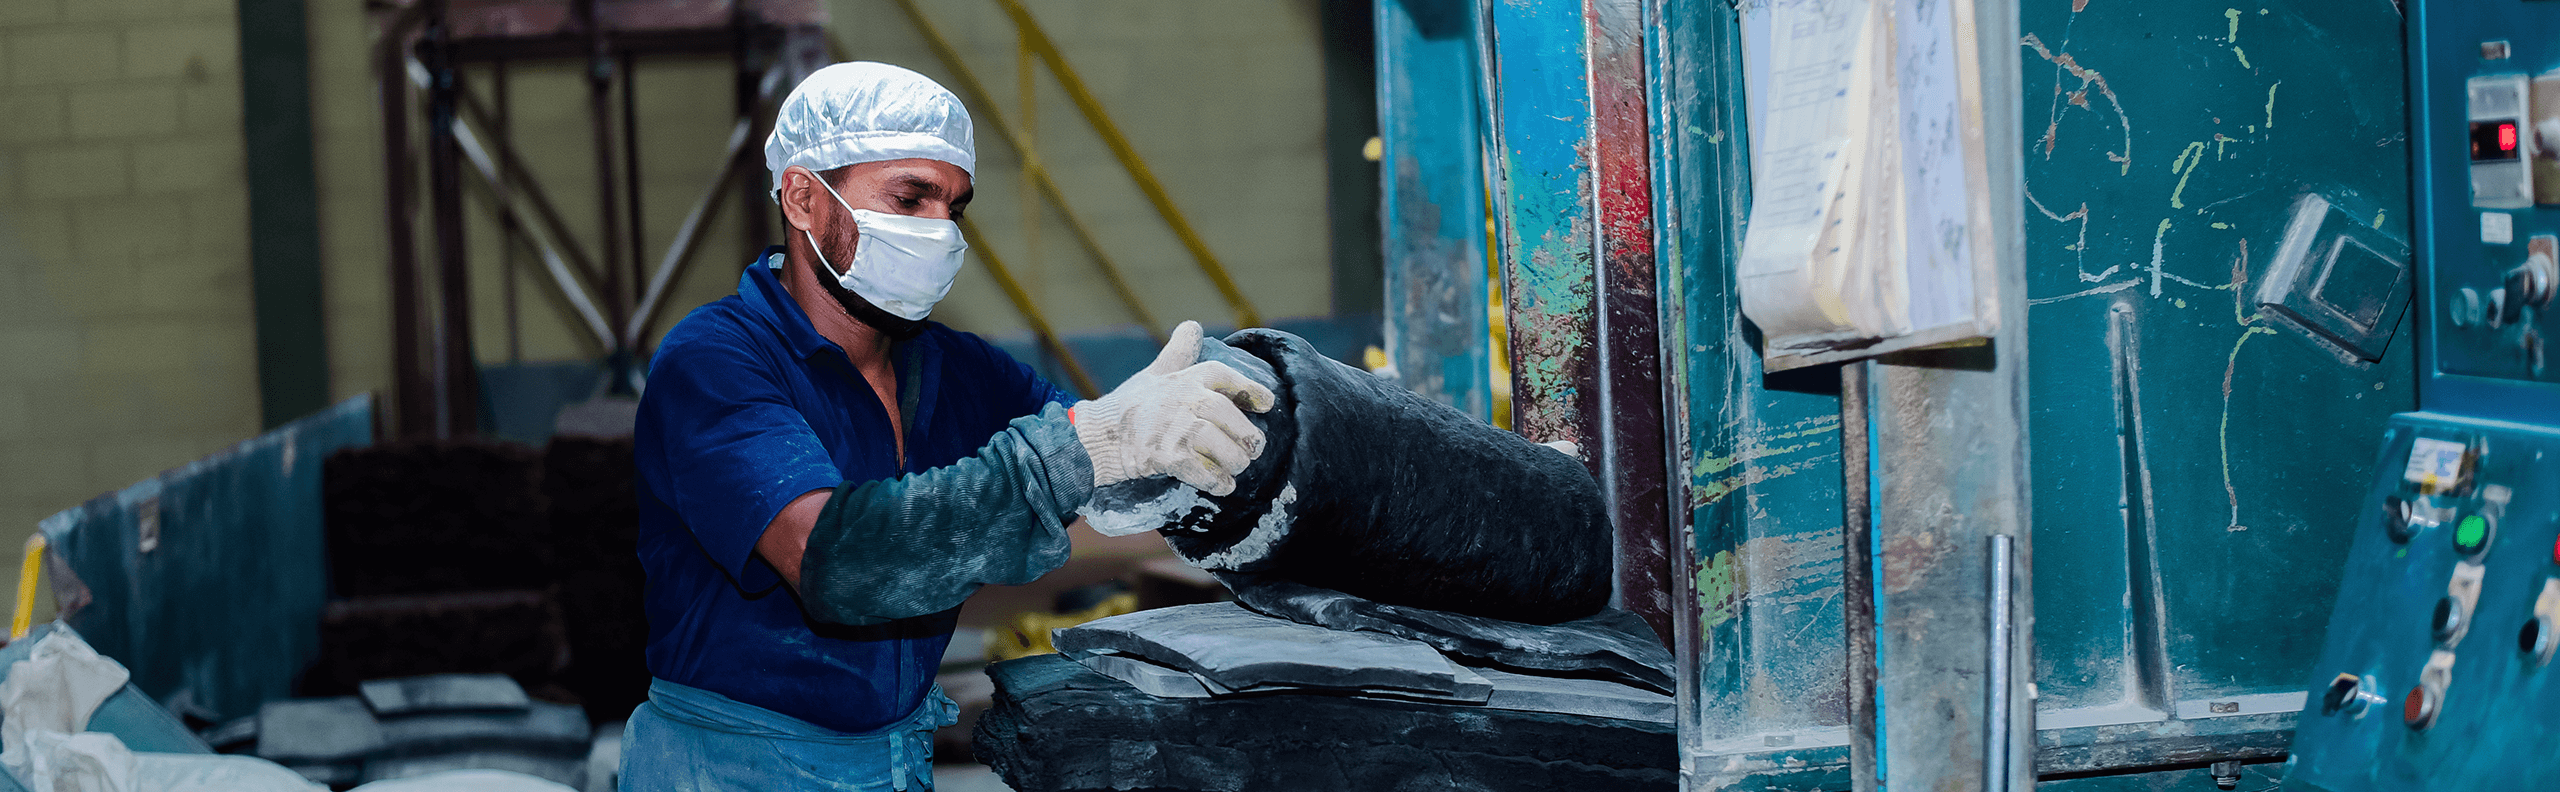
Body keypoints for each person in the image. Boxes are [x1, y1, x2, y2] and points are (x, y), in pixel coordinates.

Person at [619, 62, 1273, 791]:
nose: (939, 232)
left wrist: (1187, 443)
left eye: (954, 207)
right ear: (803, 197)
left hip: (891, 760)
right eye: (910, 198)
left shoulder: (955, 370)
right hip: (731, 768)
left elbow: (1097, 469)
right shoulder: (715, 362)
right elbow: (835, 559)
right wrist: (1083, 448)